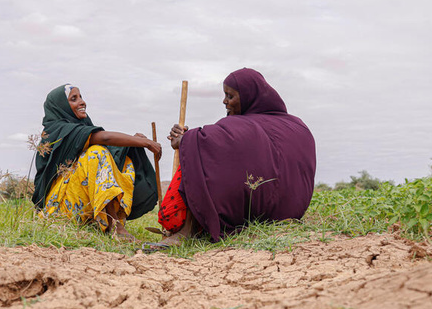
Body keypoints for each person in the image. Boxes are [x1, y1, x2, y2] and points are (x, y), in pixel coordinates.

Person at [153, 68, 316, 245]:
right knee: (198, 145)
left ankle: (187, 231)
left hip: (257, 212)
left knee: (197, 149)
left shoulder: (239, 127)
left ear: (248, 97)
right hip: (290, 213)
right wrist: (191, 139)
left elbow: (214, 144)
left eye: (230, 96)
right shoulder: (298, 125)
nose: (224, 101)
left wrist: (188, 142)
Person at [32, 84, 162, 241]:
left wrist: (131, 142)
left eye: (81, 97)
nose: (82, 102)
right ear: (61, 106)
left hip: (78, 203)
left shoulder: (81, 126)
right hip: (57, 210)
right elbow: (104, 138)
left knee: (125, 159)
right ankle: (114, 227)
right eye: (74, 99)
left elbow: (109, 151)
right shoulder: (57, 130)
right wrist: (143, 143)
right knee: (96, 153)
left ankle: (100, 220)